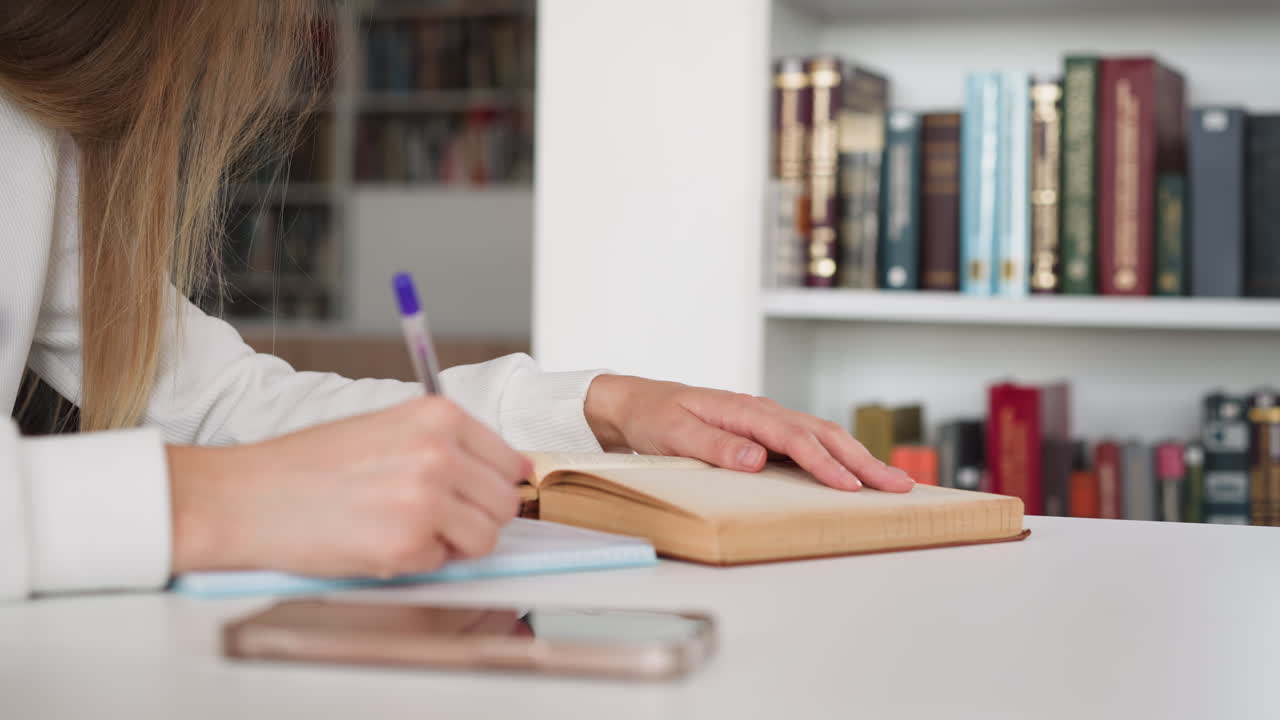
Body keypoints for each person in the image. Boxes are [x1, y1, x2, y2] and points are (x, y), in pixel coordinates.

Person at [0, 1, 912, 602]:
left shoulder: (37, 125)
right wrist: (208, 504)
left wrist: (600, 406)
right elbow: (231, 458)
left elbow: (224, 403)